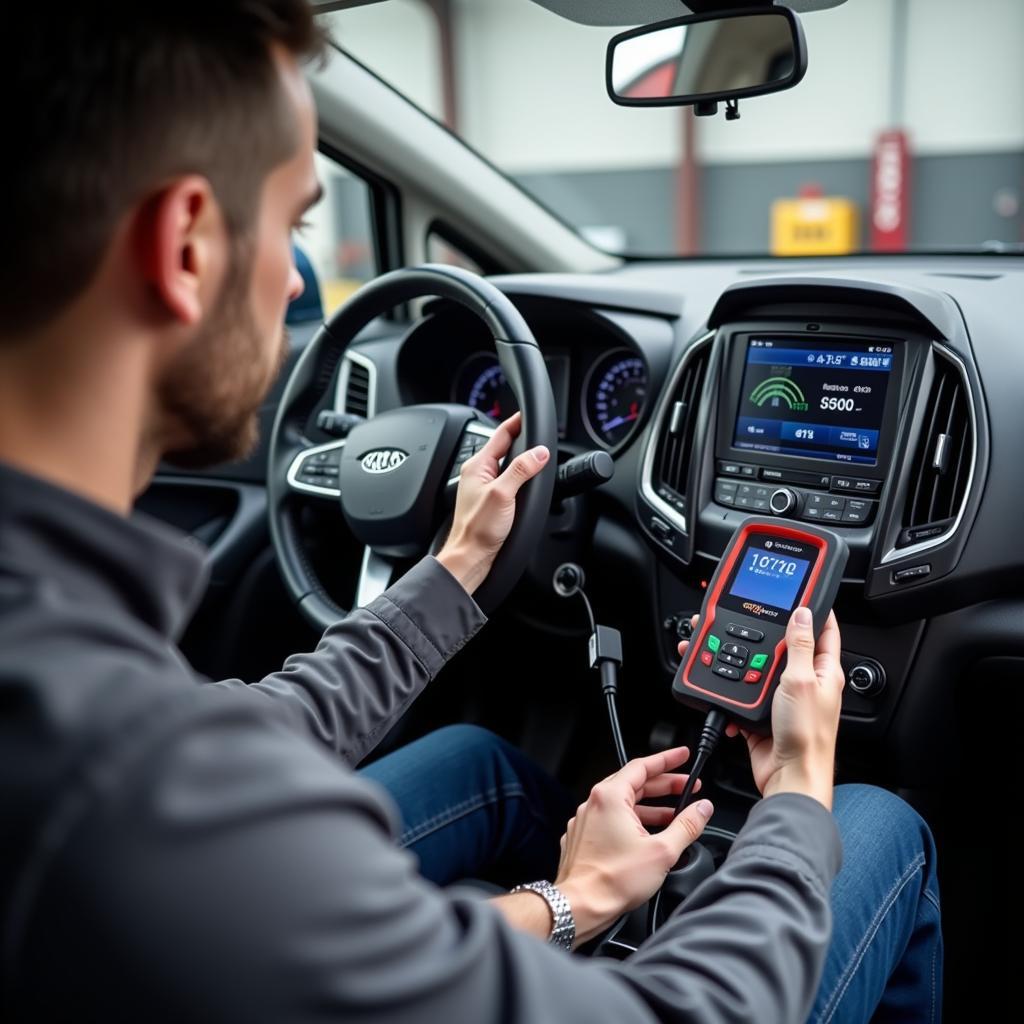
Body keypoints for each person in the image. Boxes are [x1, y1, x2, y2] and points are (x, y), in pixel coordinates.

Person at [0, 4, 941, 1022]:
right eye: (292, 226)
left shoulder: (74, 684)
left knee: (486, 765)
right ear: (184, 246)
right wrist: (798, 786)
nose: (292, 277)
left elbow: (246, 730)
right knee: (878, 823)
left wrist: (452, 576)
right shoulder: (123, 792)